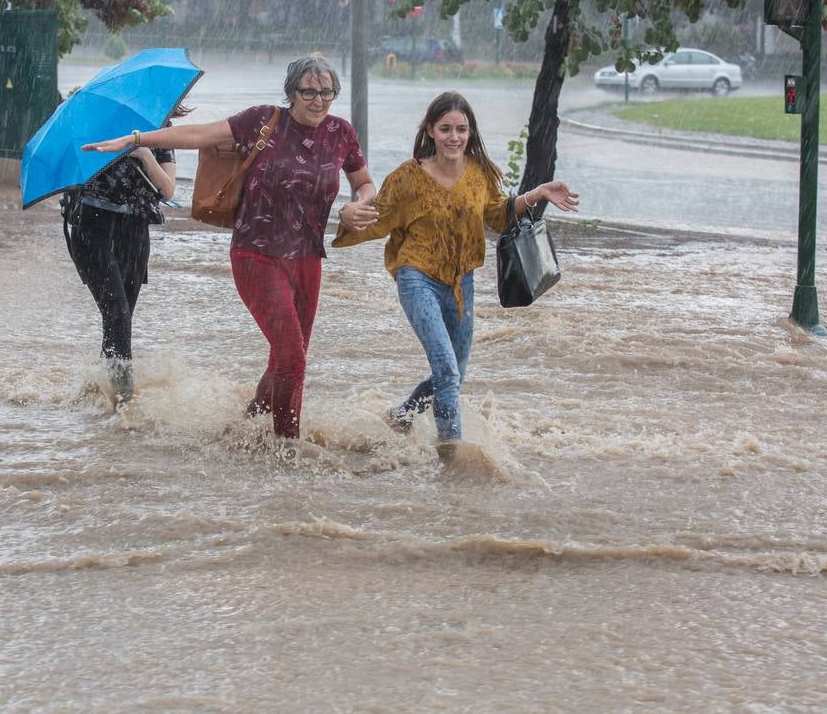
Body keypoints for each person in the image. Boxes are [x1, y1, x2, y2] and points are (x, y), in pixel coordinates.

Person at [83, 55, 378, 439]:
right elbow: (199, 135)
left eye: (327, 92)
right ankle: (287, 447)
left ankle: (246, 425)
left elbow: (364, 182)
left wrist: (358, 205)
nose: (318, 100)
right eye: (309, 91)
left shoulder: (341, 132)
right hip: (256, 254)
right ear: (291, 92)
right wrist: (137, 139)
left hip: (308, 259)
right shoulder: (263, 120)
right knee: (292, 358)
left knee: (286, 358)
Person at [331, 90, 579, 453]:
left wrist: (537, 193)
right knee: (447, 370)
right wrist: (346, 214)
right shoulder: (408, 176)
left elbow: (497, 215)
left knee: (454, 374)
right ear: (430, 130)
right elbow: (377, 218)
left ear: (470, 132)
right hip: (417, 277)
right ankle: (451, 454)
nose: (454, 137)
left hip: (462, 283)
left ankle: (402, 416)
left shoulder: (479, 174)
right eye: (445, 128)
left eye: (461, 129)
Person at [62, 104, 186, 409]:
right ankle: (125, 403)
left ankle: (100, 394)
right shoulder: (96, 121)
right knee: (117, 313)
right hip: (92, 225)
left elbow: (168, 190)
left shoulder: (159, 129)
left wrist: (143, 152)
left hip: (135, 231)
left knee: (119, 319)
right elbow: (70, 170)